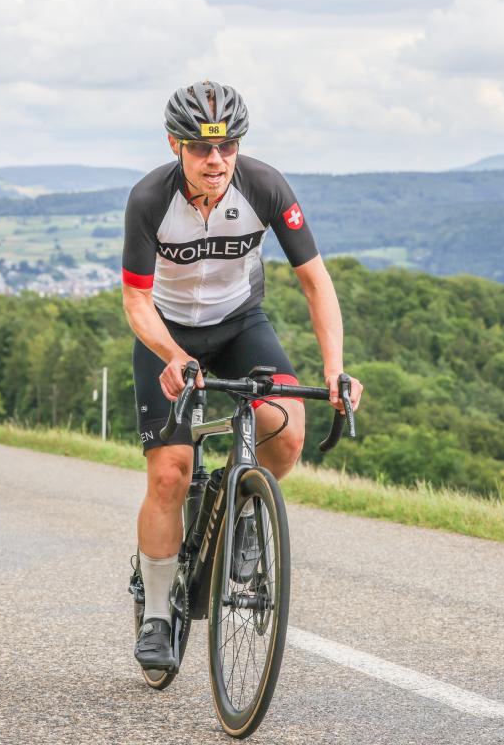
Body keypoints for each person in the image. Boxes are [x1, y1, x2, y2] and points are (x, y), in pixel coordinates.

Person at [122, 81, 363, 670]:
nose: (216, 160)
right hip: (167, 335)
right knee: (170, 474)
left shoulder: (264, 186)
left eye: (227, 146)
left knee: (287, 428)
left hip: (239, 325)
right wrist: (172, 355)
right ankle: (158, 613)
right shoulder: (150, 199)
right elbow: (135, 301)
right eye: (202, 148)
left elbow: (316, 282)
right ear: (175, 145)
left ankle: (243, 504)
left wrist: (335, 369)